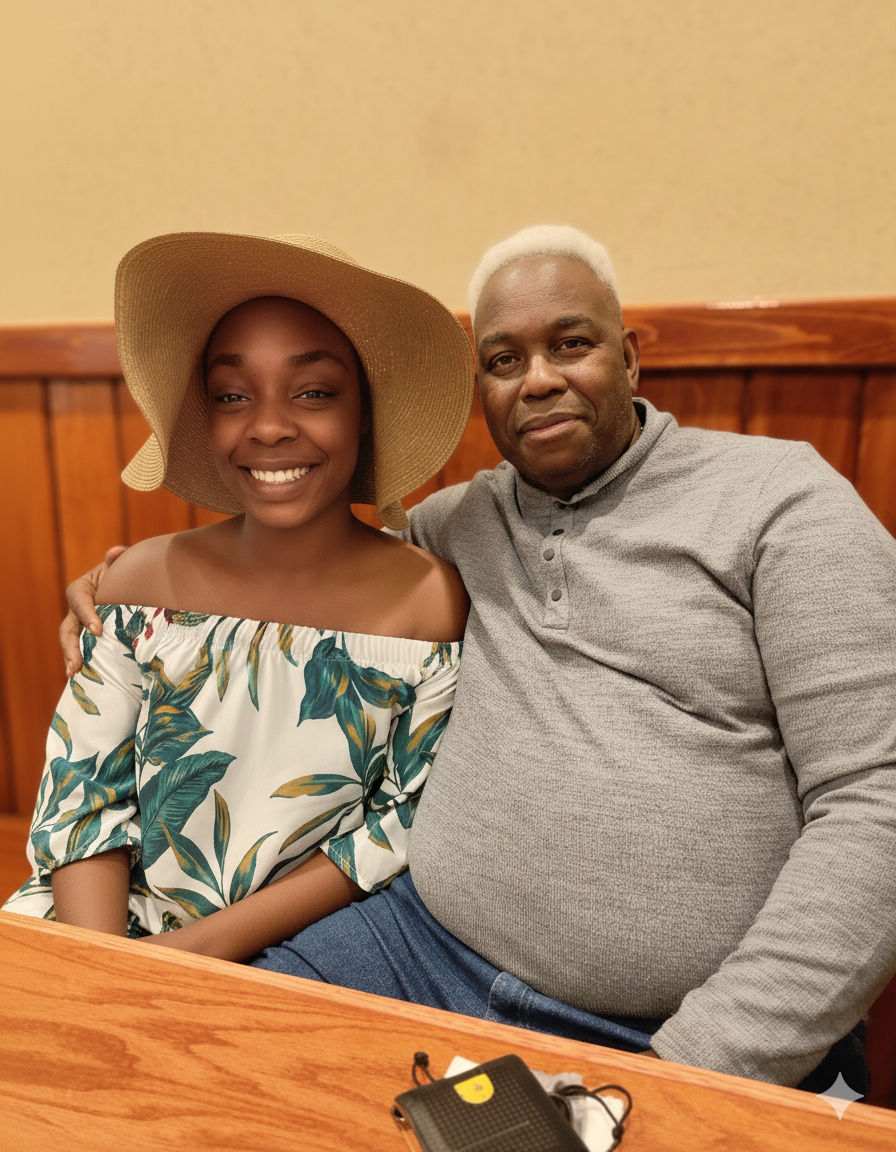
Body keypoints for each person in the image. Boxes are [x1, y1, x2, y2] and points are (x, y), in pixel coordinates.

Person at [58, 225, 896, 1093]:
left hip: (671, 1027)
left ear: (632, 357)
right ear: (480, 389)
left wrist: (700, 1063)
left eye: (570, 344)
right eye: (503, 360)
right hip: (417, 948)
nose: (538, 379)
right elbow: (300, 570)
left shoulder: (781, 503)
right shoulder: (453, 530)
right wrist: (117, 588)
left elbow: (878, 796)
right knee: (187, 1070)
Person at [6, 230, 474, 962]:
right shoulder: (137, 588)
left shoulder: (428, 607)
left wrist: (193, 960)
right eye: (232, 395)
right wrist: (107, 970)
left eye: (314, 392)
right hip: (93, 938)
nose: (268, 426)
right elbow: (83, 799)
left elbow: (396, 826)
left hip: (297, 954)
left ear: (366, 411)